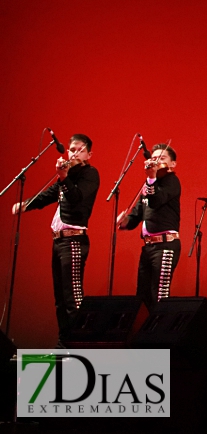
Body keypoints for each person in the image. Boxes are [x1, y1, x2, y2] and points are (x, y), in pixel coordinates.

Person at [12, 134, 99, 343]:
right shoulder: (66, 175)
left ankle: (78, 345)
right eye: (71, 149)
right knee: (60, 298)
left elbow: (76, 197)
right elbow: (49, 194)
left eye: (79, 149)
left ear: (88, 154)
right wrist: (25, 205)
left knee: (73, 298)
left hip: (74, 241)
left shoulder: (90, 174)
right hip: (59, 241)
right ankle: (64, 343)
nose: (74, 152)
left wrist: (63, 177)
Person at [116, 144, 181, 309]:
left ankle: (159, 334)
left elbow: (157, 200)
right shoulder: (148, 186)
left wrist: (151, 179)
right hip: (148, 247)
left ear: (172, 164)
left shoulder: (171, 181)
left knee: (159, 295)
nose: (156, 160)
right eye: (153, 158)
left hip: (165, 245)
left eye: (162, 158)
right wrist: (124, 222)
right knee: (143, 294)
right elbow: (137, 214)